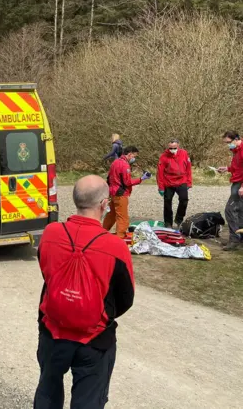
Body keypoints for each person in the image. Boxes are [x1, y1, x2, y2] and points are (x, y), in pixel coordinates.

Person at [34, 175, 135, 409]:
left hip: (53, 330)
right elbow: (125, 298)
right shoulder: (116, 247)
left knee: (47, 391)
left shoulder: (50, 233)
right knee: (88, 401)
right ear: (104, 204)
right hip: (95, 338)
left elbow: (46, 273)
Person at [103, 146, 151, 238]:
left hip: (112, 192)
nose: (134, 158)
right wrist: (141, 179)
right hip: (121, 194)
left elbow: (109, 178)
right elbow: (127, 182)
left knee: (111, 215)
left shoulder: (115, 162)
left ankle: (102, 232)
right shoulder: (125, 165)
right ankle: (120, 237)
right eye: (134, 156)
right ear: (130, 154)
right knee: (123, 217)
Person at [157, 138, 192, 229]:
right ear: (168, 147)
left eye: (174, 148)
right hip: (168, 182)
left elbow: (188, 168)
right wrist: (161, 187)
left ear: (178, 146)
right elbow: (160, 173)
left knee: (184, 200)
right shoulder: (163, 157)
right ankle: (168, 222)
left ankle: (179, 219)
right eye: (170, 148)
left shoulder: (184, 153)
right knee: (167, 202)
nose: (172, 150)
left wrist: (189, 182)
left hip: (182, 180)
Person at [217, 131, 243, 251]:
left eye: (228, 142)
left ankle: (234, 240)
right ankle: (240, 238)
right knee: (240, 211)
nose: (228, 145)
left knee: (230, 210)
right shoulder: (236, 151)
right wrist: (227, 169)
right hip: (236, 182)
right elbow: (237, 167)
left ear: (236, 139)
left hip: (240, 184)